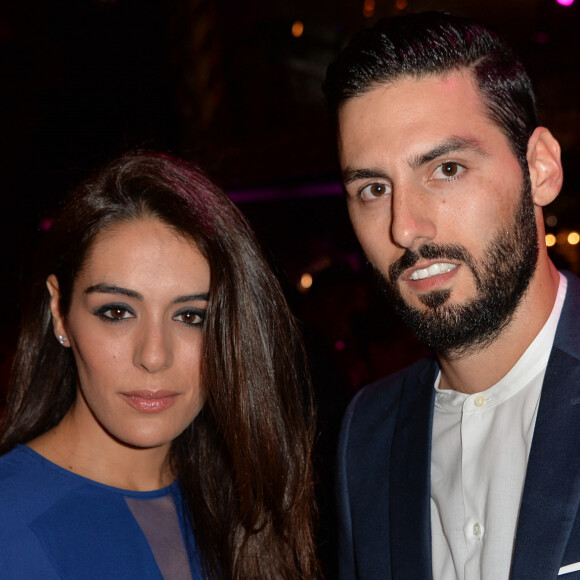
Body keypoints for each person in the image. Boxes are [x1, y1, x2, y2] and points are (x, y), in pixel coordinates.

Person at [322, 11, 580, 580]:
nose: (405, 228)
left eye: (447, 168)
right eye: (373, 188)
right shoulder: (367, 432)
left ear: (540, 168)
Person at [0, 151, 318, 579]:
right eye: (117, 312)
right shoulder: (11, 523)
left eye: (191, 317)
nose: (153, 356)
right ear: (59, 311)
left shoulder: (248, 506)